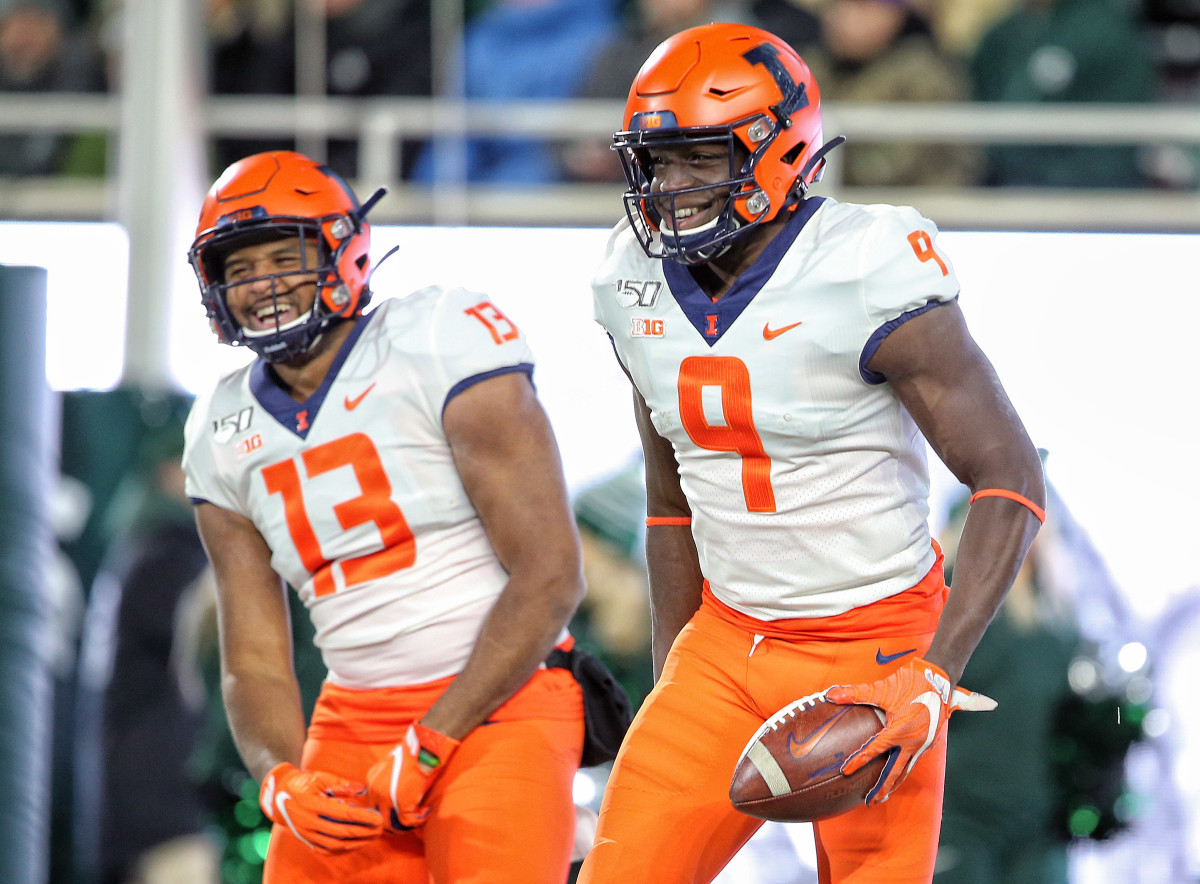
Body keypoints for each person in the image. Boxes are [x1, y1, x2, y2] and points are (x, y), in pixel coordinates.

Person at [579, 23, 1045, 884]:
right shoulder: (626, 279)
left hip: (874, 650)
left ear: (778, 149)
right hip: (724, 644)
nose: (672, 189)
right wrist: (672, 678)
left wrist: (934, 674)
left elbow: (1008, 478)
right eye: (658, 162)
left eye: (698, 160)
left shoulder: (867, 264)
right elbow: (669, 498)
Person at [181, 149, 587, 883]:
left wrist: (433, 739)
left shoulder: (437, 335)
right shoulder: (219, 424)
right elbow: (253, 659)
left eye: (285, 256)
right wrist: (280, 777)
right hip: (353, 718)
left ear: (344, 248)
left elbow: (550, 577)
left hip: (504, 703)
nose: (262, 284)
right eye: (239, 269)